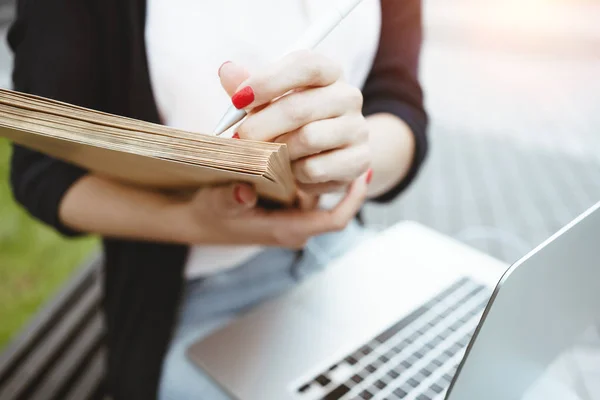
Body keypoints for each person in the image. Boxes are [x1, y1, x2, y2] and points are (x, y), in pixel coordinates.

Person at [7, 0, 428, 398]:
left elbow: (397, 100)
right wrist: (188, 220)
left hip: (339, 256)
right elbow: (41, 172)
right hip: (189, 298)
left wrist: (353, 156)